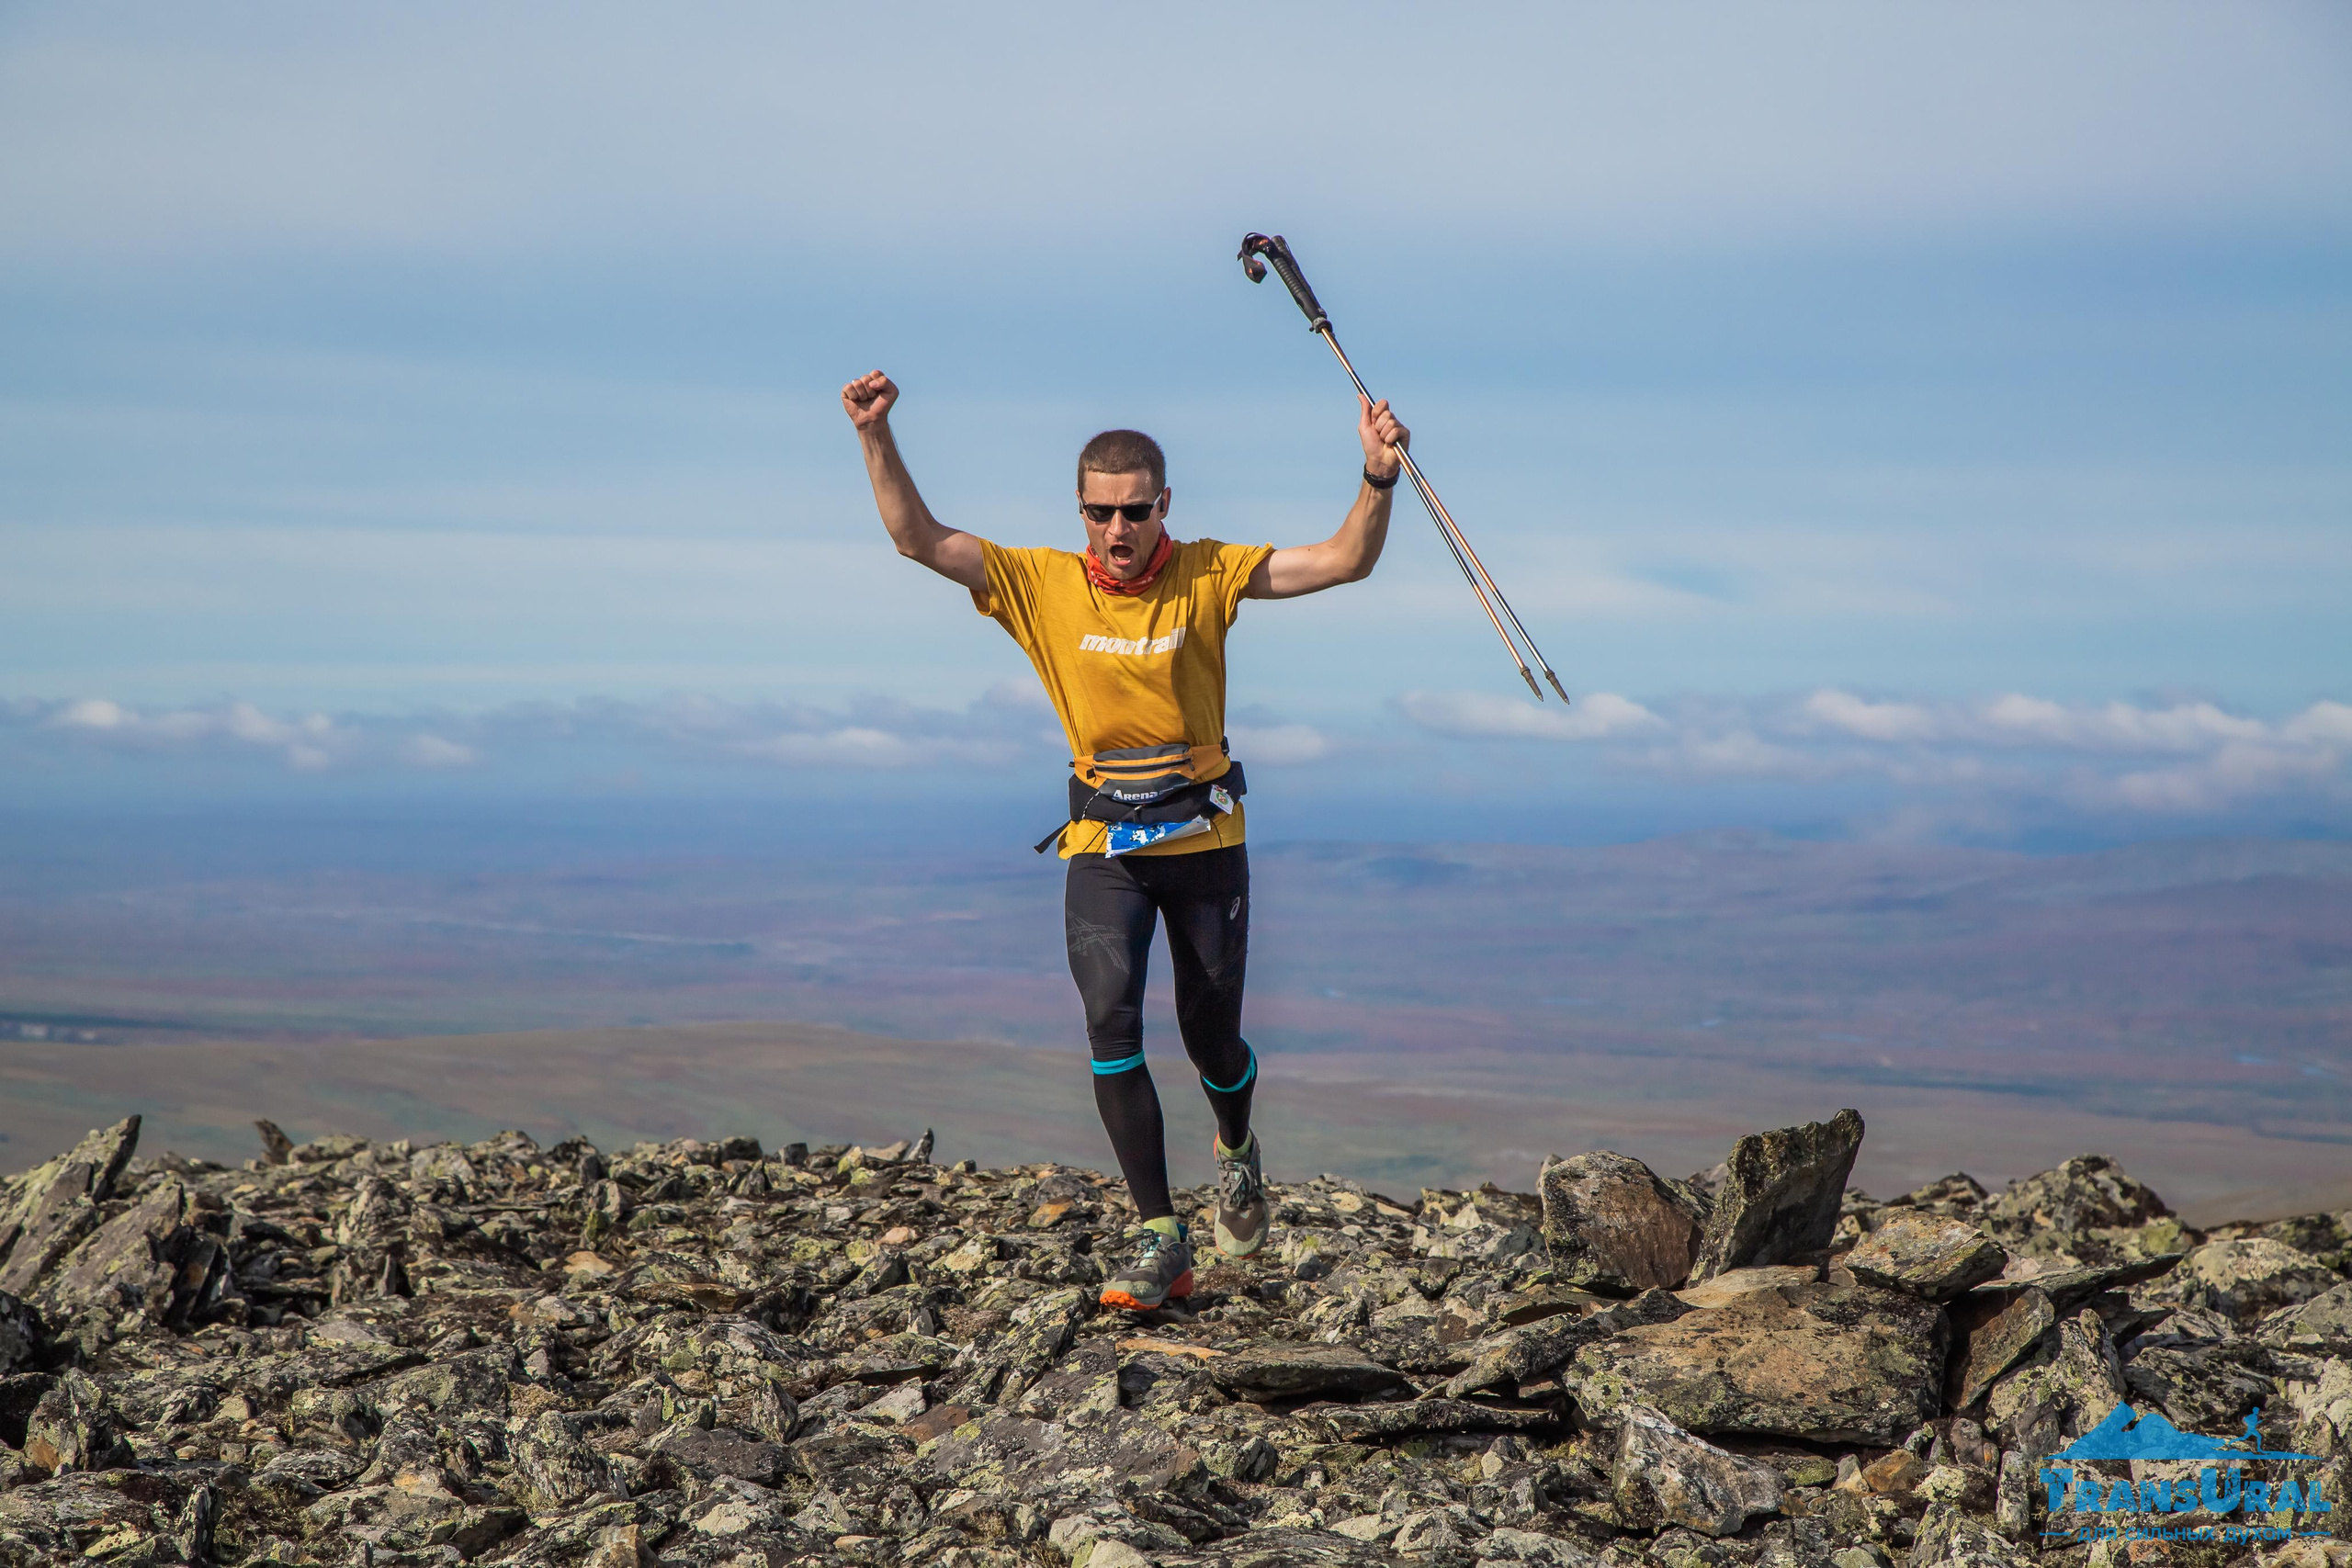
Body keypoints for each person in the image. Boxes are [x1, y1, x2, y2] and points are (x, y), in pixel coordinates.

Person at [842, 369, 1408, 1312]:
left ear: (1163, 506)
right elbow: (916, 538)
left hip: (1204, 845)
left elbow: (1343, 560)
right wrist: (874, 434)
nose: (1116, 530)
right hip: (1103, 847)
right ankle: (1159, 1237)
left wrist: (1376, 480)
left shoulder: (1210, 571)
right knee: (1110, 1022)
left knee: (1210, 1037)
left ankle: (1235, 1146)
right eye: (1099, 513)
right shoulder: (1039, 582)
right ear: (1081, 511)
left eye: (1134, 511)